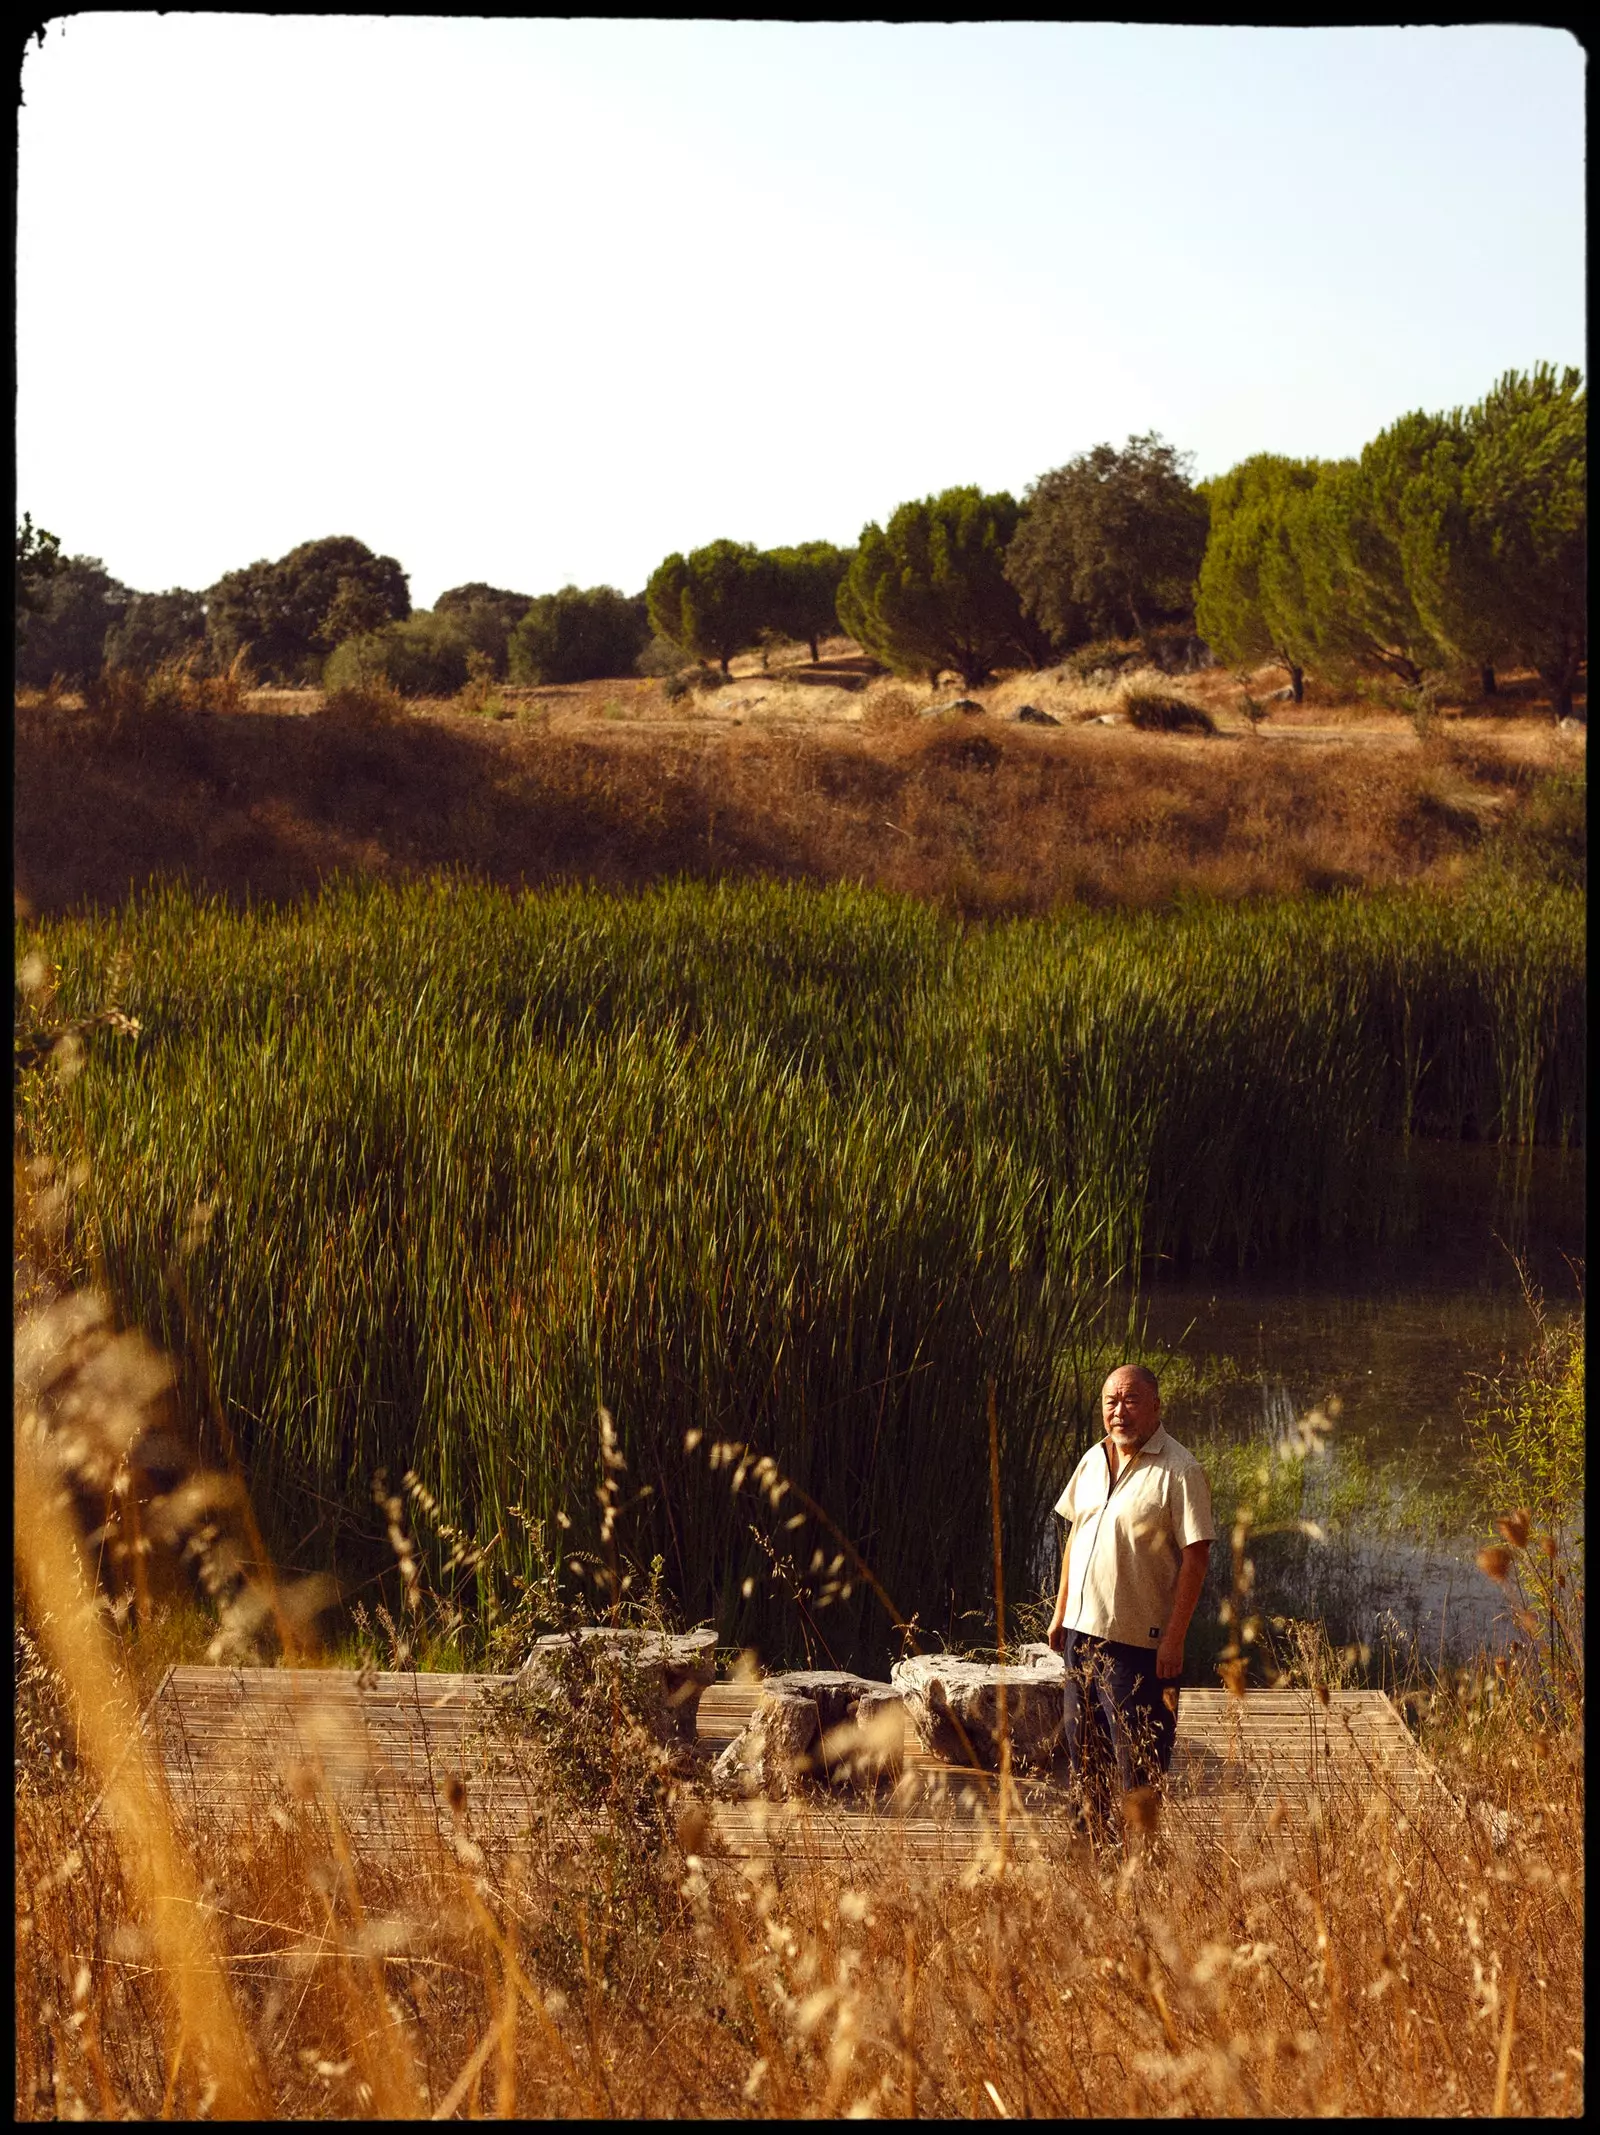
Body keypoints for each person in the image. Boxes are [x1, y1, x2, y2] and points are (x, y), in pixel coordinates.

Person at [1046, 1363, 1214, 1837]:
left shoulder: (1180, 1470)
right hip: (1081, 1637)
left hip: (1139, 1648)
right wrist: (1061, 1614)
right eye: (1110, 1402)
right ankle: (1092, 1865)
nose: (1119, 1412)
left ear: (1156, 1406)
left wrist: (1174, 1640)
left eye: (1130, 1400)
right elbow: (1075, 1539)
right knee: (1084, 1758)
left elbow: (1196, 1560)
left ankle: (1142, 1875)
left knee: (1138, 1768)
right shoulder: (1092, 1460)